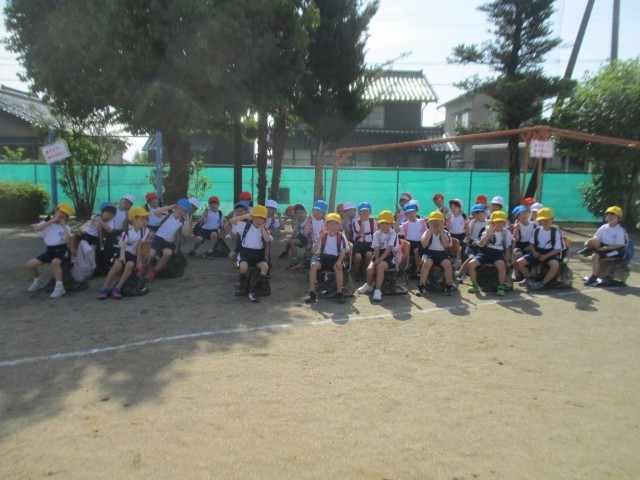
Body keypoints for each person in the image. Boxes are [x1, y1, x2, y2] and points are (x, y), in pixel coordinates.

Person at [98, 206, 151, 299]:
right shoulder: (128, 231)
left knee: (130, 265)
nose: (145, 221)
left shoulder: (146, 232)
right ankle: (105, 287)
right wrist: (122, 257)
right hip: (123, 251)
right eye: (142, 219)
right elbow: (123, 244)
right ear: (134, 219)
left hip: (134, 255)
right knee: (117, 265)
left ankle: (118, 287)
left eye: (145, 219)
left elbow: (141, 248)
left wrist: (139, 262)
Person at [26, 202, 75, 299]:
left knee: (55, 262)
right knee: (30, 265)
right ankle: (38, 280)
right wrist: (51, 221)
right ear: (56, 211)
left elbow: (68, 240)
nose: (62, 216)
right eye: (61, 213)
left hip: (62, 250)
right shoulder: (46, 224)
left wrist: (63, 226)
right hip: (50, 250)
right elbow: (37, 229)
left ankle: (59, 287)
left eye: (65, 215)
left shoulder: (66, 227)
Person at [139, 199, 191, 282]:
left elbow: (186, 233)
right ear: (176, 207)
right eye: (180, 208)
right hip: (158, 239)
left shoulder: (182, 221)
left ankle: (154, 272)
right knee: (150, 254)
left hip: (169, 243)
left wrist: (187, 220)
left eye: (184, 210)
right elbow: (155, 212)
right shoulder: (168, 214)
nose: (181, 211)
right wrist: (170, 207)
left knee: (167, 253)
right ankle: (144, 267)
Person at [305, 213, 350, 304]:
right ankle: (312, 292)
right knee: (313, 265)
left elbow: (343, 251)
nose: (333, 226)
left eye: (335, 224)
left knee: (338, 267)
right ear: (326, 225)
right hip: (324, 259)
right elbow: (313, 250)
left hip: (336, 259)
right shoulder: (323, 236)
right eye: (330, 224)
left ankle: (339, 292)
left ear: (339, 225)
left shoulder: (341, 237)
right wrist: (320, 237)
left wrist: (339, 261)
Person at [515, 207, 564, 290]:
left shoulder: (556, 232)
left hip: (550, 253)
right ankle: (530, 278)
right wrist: (534, 251)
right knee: (518, 263)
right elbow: (532, 243)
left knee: (555, 265)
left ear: (552, 219)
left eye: (547, 219)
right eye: (542, 220)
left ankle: (542, 284)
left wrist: (545, 256)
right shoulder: (537, 230)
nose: (544, 222)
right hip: (537, 252)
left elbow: (558, 249)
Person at [466, 210, 512, 296]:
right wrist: (488, 235)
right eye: (497, 221)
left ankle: (501, 286)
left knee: (501, 265)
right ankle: (474, 284)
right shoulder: (486, 230)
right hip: (485, 252)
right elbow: (480, 244)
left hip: (498, 253)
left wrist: (507, 260)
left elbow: (507, 248)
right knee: (471, 264)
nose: (499, 224)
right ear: (492, 222)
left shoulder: (506, 233)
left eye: (502, 222)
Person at [231, 205, 271, 302]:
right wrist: (246, 216)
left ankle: (254, 290)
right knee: (243, 267)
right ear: (253, 217)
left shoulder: (264, 229)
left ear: (265, 220)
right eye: (257, 217)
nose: (259, 220)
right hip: (246, 254)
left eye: (262, 218)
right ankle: (242, 283)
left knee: (265, 267)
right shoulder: (245, 226)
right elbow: (232, 221)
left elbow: (267, 240)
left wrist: (262, 227)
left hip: (258, 255)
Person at [580, 206, 628, 286]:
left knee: (595, 256)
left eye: (613, 215)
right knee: (591, 241)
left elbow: (618, 245)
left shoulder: (620, 230)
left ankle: (593, 277)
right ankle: (587, 249)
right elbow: (596, 238)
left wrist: (605, 248)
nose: (610, 217)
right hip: (603, 246)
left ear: (618, 218)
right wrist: (588, 243)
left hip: (615, 250)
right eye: (608, 215)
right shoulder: (603, 227)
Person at [357, 210, 397, 301]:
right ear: (379, 224)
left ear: (391, 224)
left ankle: (378, 290)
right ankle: (369, 285)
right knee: (370, 269)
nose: (384, 226)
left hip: (391, 255)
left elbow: (389, 248)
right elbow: (376, 248)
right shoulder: (376, 233)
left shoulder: (393, 233)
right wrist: (377, 259)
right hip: (379, 255)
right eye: (382, 223)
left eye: (387, 223)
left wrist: (379, 261)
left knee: (380, 267)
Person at [418, 211, 456, 296]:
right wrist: (431, 231)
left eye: (438, 222)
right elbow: (424, 244)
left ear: (443, 223)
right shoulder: (427, 232)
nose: (436, 224)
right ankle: (422, 285)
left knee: (447, 264)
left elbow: (446, 245)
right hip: (430, 253)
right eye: (433, 222)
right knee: (427, 262)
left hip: (442, 253)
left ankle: (448, 285)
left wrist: (441, 232)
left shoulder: (446, 233)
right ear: (429, 223)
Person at [456, 204, 488, 283]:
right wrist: (466, 225)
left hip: (483, 246)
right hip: (472, 245)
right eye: (475, 214)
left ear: (484, 212)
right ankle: (460, 274)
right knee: (471, 257)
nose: (478, 216)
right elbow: (468, 234)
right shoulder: (473, 222)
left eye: (479, 213)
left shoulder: (488, 223)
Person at [398, 202, 427, 273]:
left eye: (412, 212)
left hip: (421, 243)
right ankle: (401, 269)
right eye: (408, 213)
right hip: (409, 244)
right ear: (405, 215)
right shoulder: (405, 224)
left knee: (417, 250)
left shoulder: (422, 222)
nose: (411, 214)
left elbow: (426, 233)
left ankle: (419, 269)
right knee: (406, 250)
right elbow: (397, 230)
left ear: (416, 212)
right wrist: (398, 220)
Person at [351, 202, 377, 280]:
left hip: (369, 244)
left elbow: (375, 234)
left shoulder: (373, 222)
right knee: (358, 256)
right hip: (358, 244)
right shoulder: (356, 222)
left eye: (367, 211)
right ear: (359, 213)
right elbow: (361, 234)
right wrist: (362, 222)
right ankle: (356, 273)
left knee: (369, 254)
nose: (365, 213)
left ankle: (365, 272)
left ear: (370, 212)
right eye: (362, 211)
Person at [282, 204, 309, 269]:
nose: (300, 214)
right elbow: (294, 236)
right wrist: (296, 226)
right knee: (291, 241)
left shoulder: (309, 220)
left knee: (307, 246)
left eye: (302, 212)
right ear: (295, 214)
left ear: (306, 213)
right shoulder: (295, 221)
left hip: (310, 238)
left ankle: (307, 256)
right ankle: (294, 261)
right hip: (302, 237)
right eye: (297, 213)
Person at [226, 200, 250, 266]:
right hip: (239, 248)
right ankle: (238, 263)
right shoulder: (235, 223)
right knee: (231, 255)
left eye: (242, 210)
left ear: (247, 212)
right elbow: (235, 238)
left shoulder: (250, 223)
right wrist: (228, 231)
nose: (239, 212)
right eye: (237, 210)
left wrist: (229, 231)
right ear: (235, 212)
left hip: (249, 249)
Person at [446, 198, 467, 267]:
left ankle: (458, 261)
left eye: (455, 207)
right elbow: (448, 229)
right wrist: (448, 222)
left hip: (461, 236)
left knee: (459, 245)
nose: (453, 209)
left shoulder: (463, 217)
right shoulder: (450, 217)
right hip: (452, 235)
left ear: (459, 208)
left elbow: (466, 228)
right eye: (451, 207)